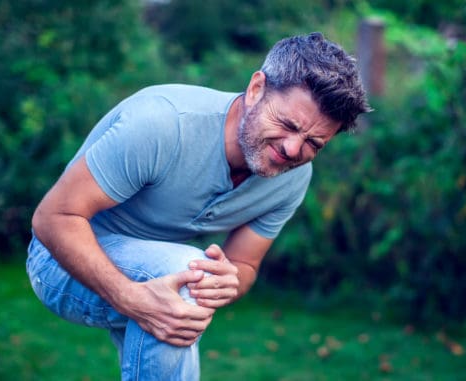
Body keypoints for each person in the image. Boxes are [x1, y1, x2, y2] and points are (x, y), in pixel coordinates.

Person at [26, 32, 368, 380]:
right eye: (287, 125)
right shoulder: (163, 124)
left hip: (150, 268)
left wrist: (225, 282)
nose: (294, 149)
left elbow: (244, 265)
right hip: (58, 261)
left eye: (314, 142)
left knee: (192, 280)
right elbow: (53, 218)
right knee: (187, 276)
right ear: (256, 90)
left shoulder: (293, 176)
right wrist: (129, 297)